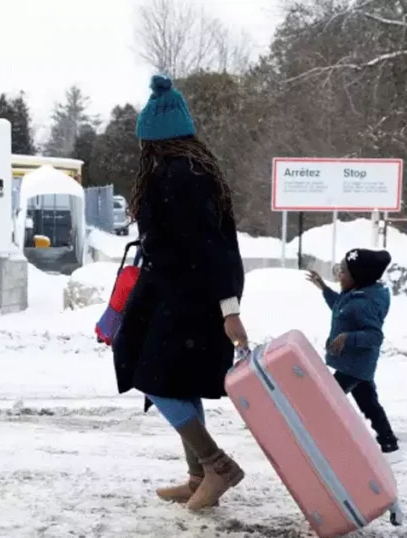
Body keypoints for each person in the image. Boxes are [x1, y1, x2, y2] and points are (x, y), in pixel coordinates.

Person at [112, 74, 249, 511]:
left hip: (185, 301)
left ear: (152, 139)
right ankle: (197, 476)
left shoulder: (174, 178)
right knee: (179, 382)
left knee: (155, 380)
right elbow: (217, 246)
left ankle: (217, 466)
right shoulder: (199, 172)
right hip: (189, 298)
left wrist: (229, 309)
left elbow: (210, 248)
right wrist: (226, 303)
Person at [306, 248, 401, 461]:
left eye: (343, 273)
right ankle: (390, 444)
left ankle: (320, 442)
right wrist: (323, 288)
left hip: (354, 367)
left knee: (327, 400)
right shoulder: (354, 295)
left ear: (358, 277)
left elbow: (374, 336)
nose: (339, 275)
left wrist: (348, 338)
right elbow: (340, 308)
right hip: (356, 365)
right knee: (369, 404)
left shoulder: (364, 303)